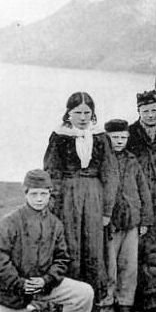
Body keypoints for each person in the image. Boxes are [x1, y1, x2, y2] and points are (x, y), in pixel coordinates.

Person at [0, 170, 94, 312]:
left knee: (83, 293)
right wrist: (18, 283)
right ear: (26, 193)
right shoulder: (10, 222)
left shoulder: (55, 224)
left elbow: (62, 258)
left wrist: (46, 280)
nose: (39, 199)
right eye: (34, 193)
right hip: (15, 290)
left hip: (45, 285)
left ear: (49, 194)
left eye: (43, 193)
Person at [43, 91, 107, 299]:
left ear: (92, 113)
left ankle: (94, 299)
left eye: (87, 112)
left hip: (94, 194)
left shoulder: (99, 136)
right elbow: (52, 170)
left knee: (93, 244)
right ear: (68, 113)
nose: (82, 117)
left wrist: (107, 208)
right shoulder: (60, 136)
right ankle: (69, 297)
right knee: (70, 243)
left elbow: (110, 170)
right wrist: (53, 200)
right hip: (68, 194)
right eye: (77, 112)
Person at [99, 119, 153, 312]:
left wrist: (145, 219)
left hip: (132, 221)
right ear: (107, 138)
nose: (119, 141)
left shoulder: (132, 160)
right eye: (115, 137)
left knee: (129, 266)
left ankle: (125, 303)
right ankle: (106, 303)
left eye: (123, 137)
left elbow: (143, 190)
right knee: (109, 266)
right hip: (111, 223)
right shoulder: (103, 160)